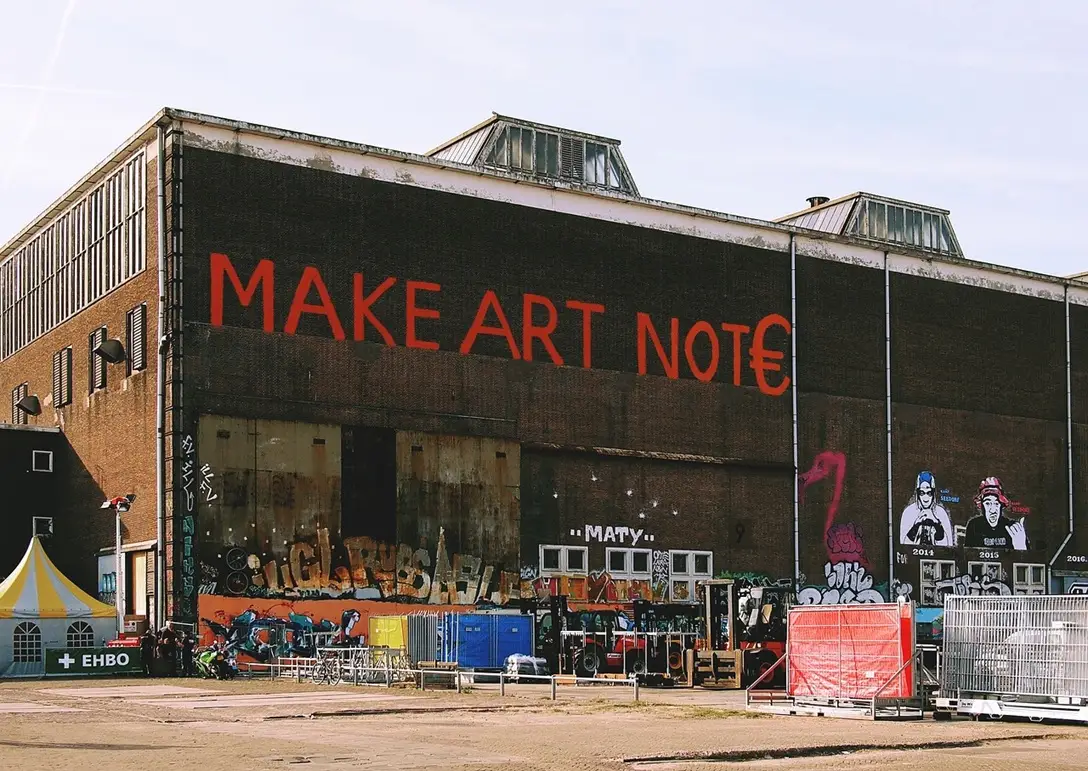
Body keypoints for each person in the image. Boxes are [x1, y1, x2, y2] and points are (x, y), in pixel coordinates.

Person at [964, 477, 1028, 550]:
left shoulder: (1013, 529)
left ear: (1001, 505)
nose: (993, 510)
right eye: (988, 503)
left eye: (996, 503)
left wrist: (1021, 547)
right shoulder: (974, 526)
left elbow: (1029, 560)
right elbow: (968, 557)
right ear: (982, 506)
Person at [899, 471, 954, 547]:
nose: (926, 498)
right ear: (917, 494)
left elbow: (948, 547)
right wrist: (916, 526)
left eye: (929, 493)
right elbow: (903, 547)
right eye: (922, 493)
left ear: (933, 494)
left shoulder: (941, 513)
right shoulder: (908, 512)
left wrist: (936, 523)